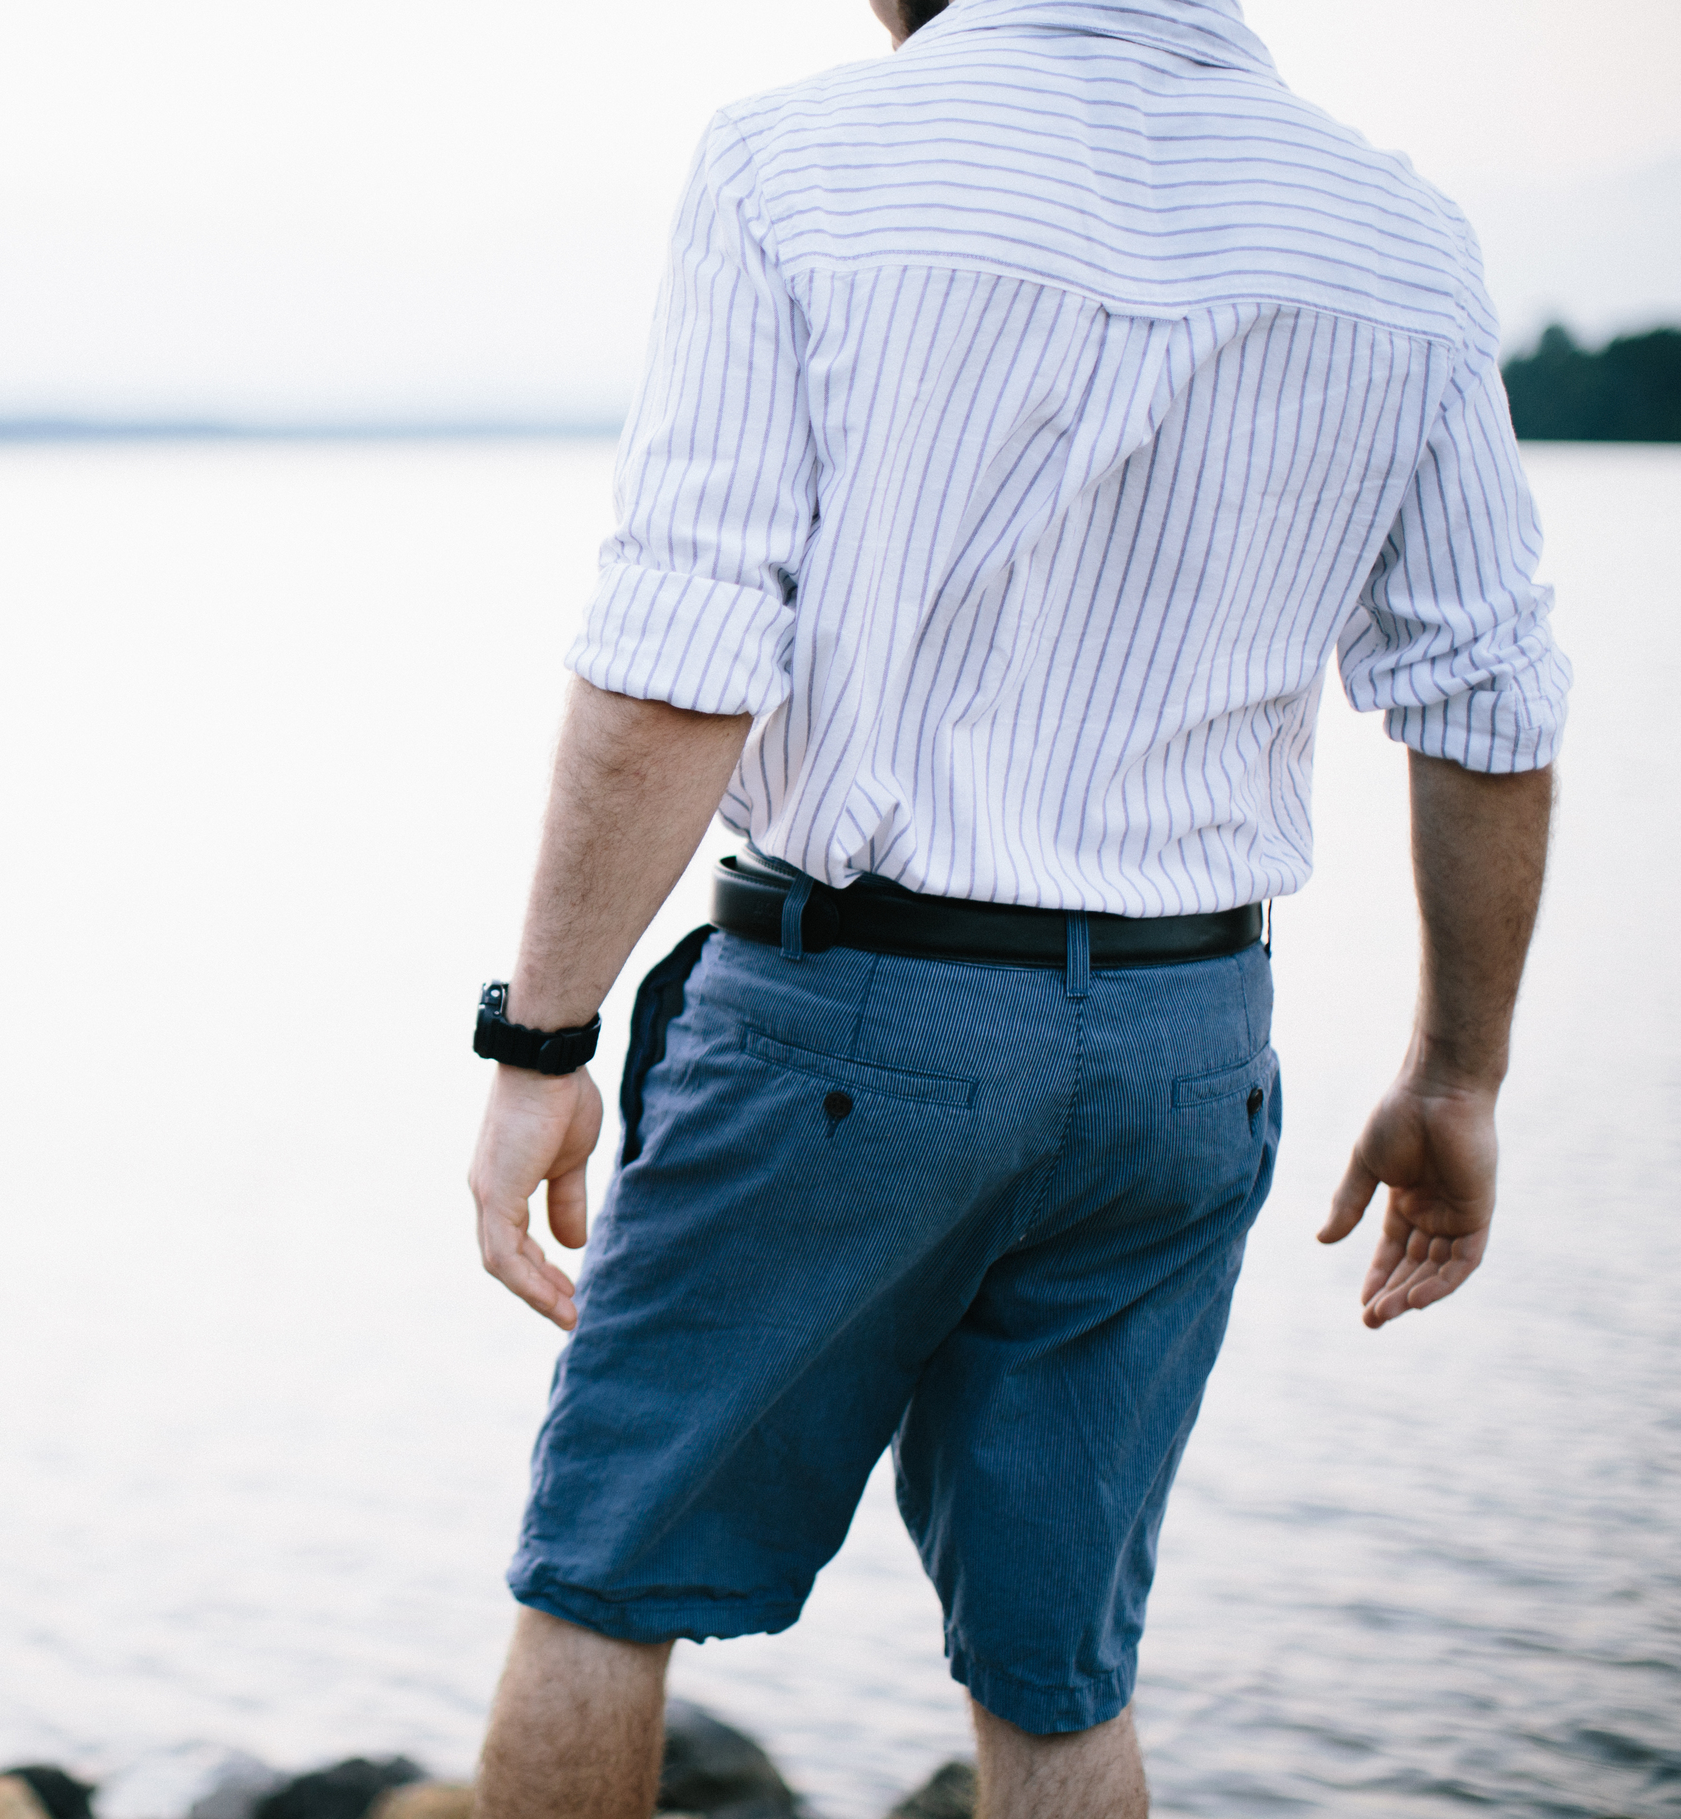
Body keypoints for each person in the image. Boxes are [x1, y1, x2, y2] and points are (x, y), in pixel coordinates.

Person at [462, 1, 1567, 1814]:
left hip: (850, 1023)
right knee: (1062, 1681)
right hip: (1182, 1050)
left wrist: (542, 1042)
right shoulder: (1397, 233)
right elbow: (1491, 706)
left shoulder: (797, 161)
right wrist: (1456, 1079)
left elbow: (681, 652)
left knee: (603, 1586)